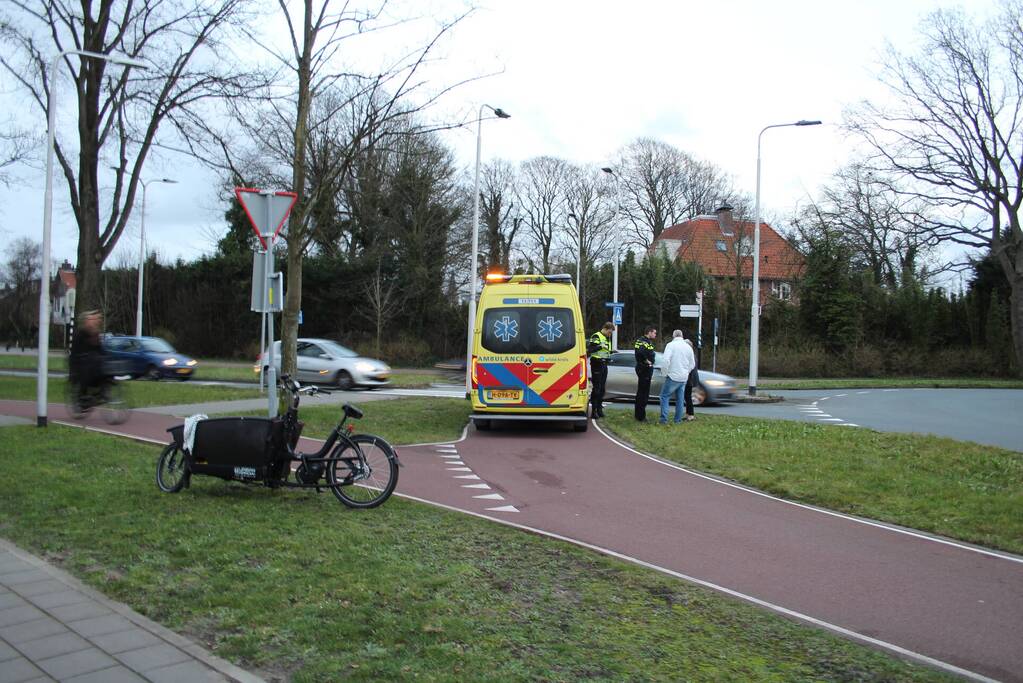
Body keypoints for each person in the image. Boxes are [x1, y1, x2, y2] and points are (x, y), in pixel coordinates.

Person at [659, 329, 696, 425]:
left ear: (673, 336)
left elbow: (666, 360)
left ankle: (664, 419)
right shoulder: (688, 347)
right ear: (682, 336)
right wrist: (686, 372)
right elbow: (692, 364)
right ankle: (677, 420)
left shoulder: (670, 345)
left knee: (664, 396)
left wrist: (664, 373)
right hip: (684, 377)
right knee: (680, 399)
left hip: (672, 376)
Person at [69, 310, 105, 405]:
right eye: (90, 319)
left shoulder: (94, 334)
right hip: (79, 365)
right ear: (85, 321)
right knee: (87, 367)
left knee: (103, 366)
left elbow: (99, 349)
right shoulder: (79, 334)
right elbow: (76, 353)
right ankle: (82, 396)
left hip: (92, 363)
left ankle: (101, 392)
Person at [586, 321, 615, 419]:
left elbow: (606, 351)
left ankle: (599, 409)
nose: (610, 334)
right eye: (609, 332)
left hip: (604, 364)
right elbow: (590, 349)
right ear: (605, 329)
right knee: (597, 388)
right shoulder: (596, 336)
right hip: (596, 364)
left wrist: (610, 353)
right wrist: (600, 346)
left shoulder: (607, 337)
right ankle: (593, 411)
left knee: (602, 389)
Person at [633, 325, 657, 421]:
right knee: (643, 393)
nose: (655, 335)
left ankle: (639, 414)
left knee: (642, 392)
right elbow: (640, 352)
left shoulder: (646, 341)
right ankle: (641, 416)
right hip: (644, 369)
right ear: (649, 332)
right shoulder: (643, 341)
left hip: (645, 368)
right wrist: (647, 361)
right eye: (654, 333)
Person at [682, 338, 699, 421]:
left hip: (689, 379)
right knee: (687, 396)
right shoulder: (692, 354)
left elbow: (690, 368)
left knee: (687, 397)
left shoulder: (690, 355)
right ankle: (688, 413)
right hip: (690, 378)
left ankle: (691, 414)